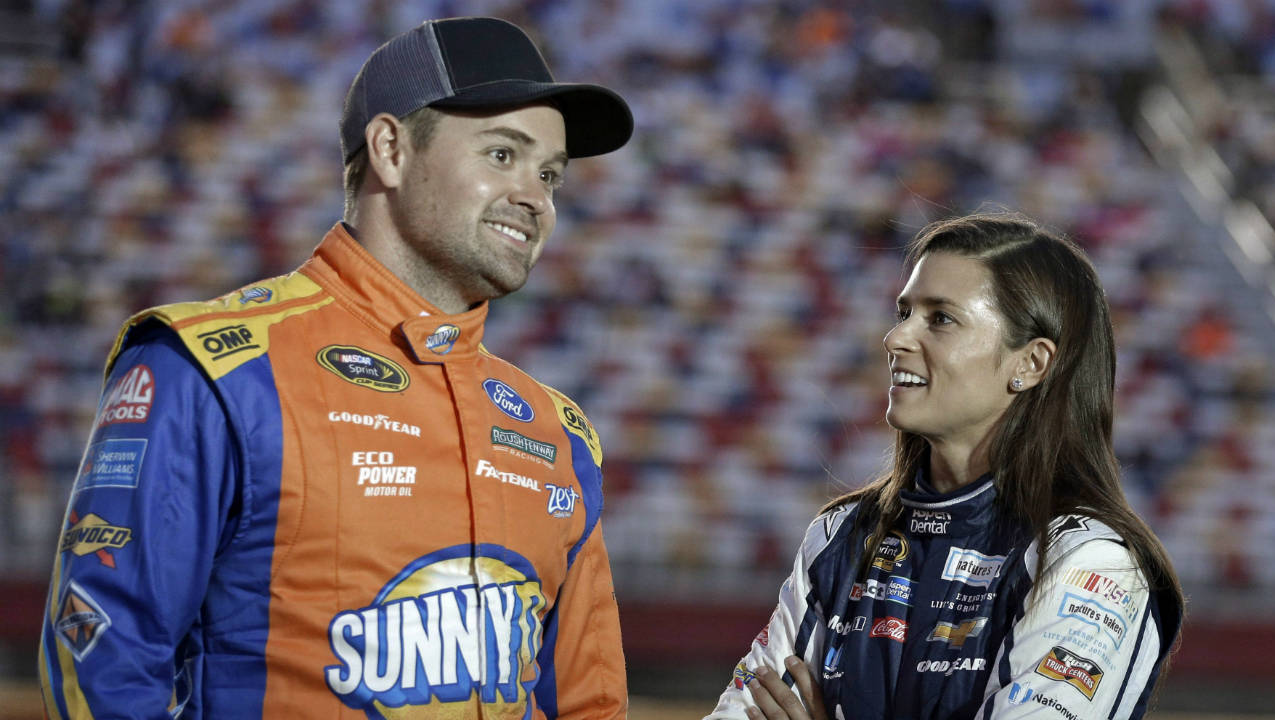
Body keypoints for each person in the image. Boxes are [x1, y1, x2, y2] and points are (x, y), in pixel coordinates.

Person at [39, 16, 633, 719]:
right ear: (389, 149)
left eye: (551, 174)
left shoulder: (560, 433)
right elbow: (104, 663)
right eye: (503, 156)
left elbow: (591, 702)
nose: (537, 198)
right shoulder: (210, 370)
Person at [706, 213, 1184, 720]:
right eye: (904, 311)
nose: (895, 338)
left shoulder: (1087, 560)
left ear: (1031, 364)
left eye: (941, 319)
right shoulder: (841, 536)